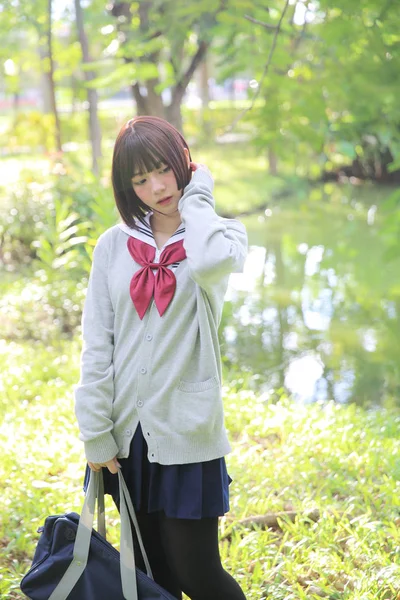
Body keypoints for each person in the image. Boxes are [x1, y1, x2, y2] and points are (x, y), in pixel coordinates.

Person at [74, 115, 248, 600]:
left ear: (183, 162)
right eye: (140, 179)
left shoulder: (219, 236)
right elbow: (97, 344)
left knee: (199, 577)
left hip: (187, 435)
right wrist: (95, 431)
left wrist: (199, 197)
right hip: (127, 439)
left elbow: (210, 262)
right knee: (151, 581)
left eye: (163, 170)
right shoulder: (113, 246)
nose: (156, 187)